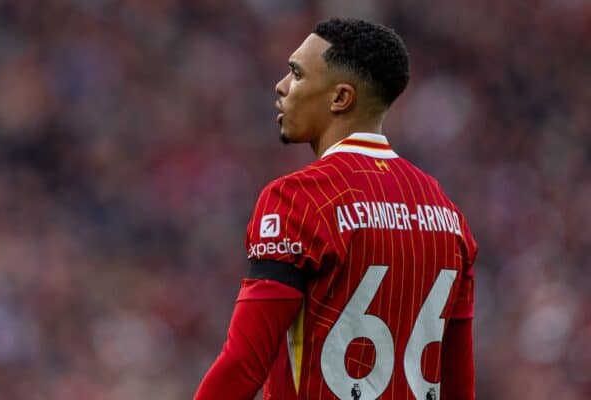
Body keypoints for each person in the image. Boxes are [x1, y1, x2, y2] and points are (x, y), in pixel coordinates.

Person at [194, 17, 477, 400]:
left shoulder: (297, 199)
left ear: (340, 98)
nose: (281, 86)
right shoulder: (449, 216)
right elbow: (458, 384)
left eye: (296, 74)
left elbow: (244, 363)